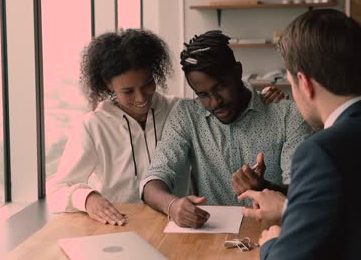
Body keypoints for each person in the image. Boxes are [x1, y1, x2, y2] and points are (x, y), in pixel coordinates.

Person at [238, 9, 361, 260]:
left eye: (291, 83)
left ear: (305, 83)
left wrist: (273, 243)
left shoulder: (320, 152)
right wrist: (290, 208)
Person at [47, 29, 288, 226]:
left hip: (174, 227)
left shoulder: (177, 109)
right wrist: (88, 198)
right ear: (108, 86)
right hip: (116, 225)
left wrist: (260, 96)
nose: (142, 98)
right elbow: (57, 189)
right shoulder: (92, 125)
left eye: (148, 84)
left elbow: (219, 95)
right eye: (128, 91)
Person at [141, 30, 313, 228]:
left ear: (238, 72)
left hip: (271, 233)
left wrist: (264, 188)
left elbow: (303, 193)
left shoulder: (287, 115)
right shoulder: (187, 115)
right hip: (208, 236)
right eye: (203, 95)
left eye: (220, 87)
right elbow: (153, 179)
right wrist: (171, 205)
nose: (215, 102)